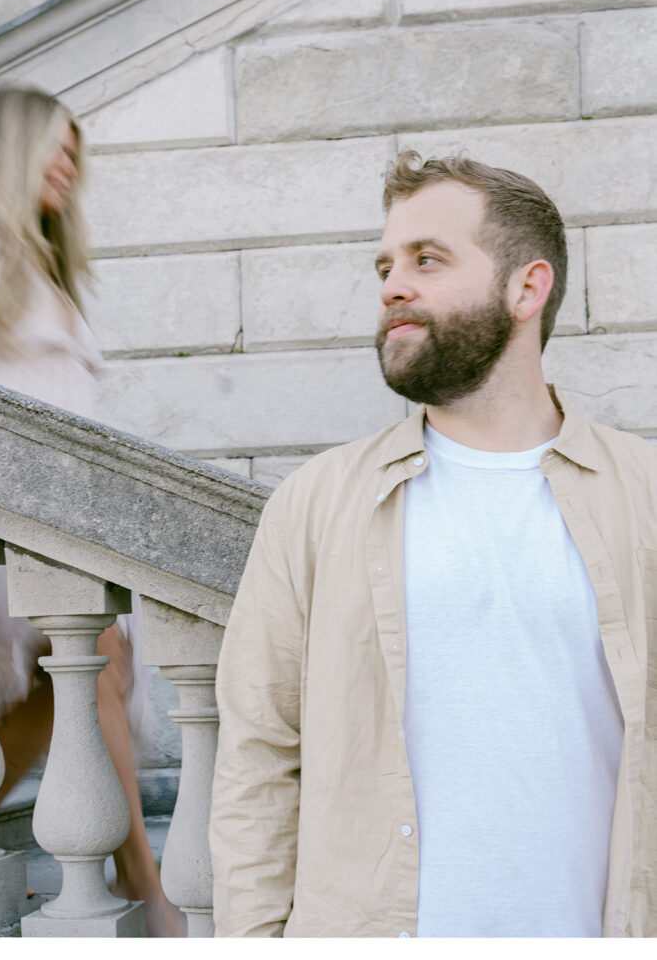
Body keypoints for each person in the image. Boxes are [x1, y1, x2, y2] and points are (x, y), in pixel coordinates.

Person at [209, 151, 656, 938]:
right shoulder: (315, 504)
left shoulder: (643, 491)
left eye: (426, 259)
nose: (390, 285)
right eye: (384, 264)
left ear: (527, 286)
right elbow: (257, 761)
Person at [0, 85, 184, 937]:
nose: (67, 164)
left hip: (60, 530)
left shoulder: (38, 265)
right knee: (91, 671)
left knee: (46, 699)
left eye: (75, 151)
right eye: (52, 148)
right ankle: (154, 891)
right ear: (8, 152)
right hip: (14, 529)